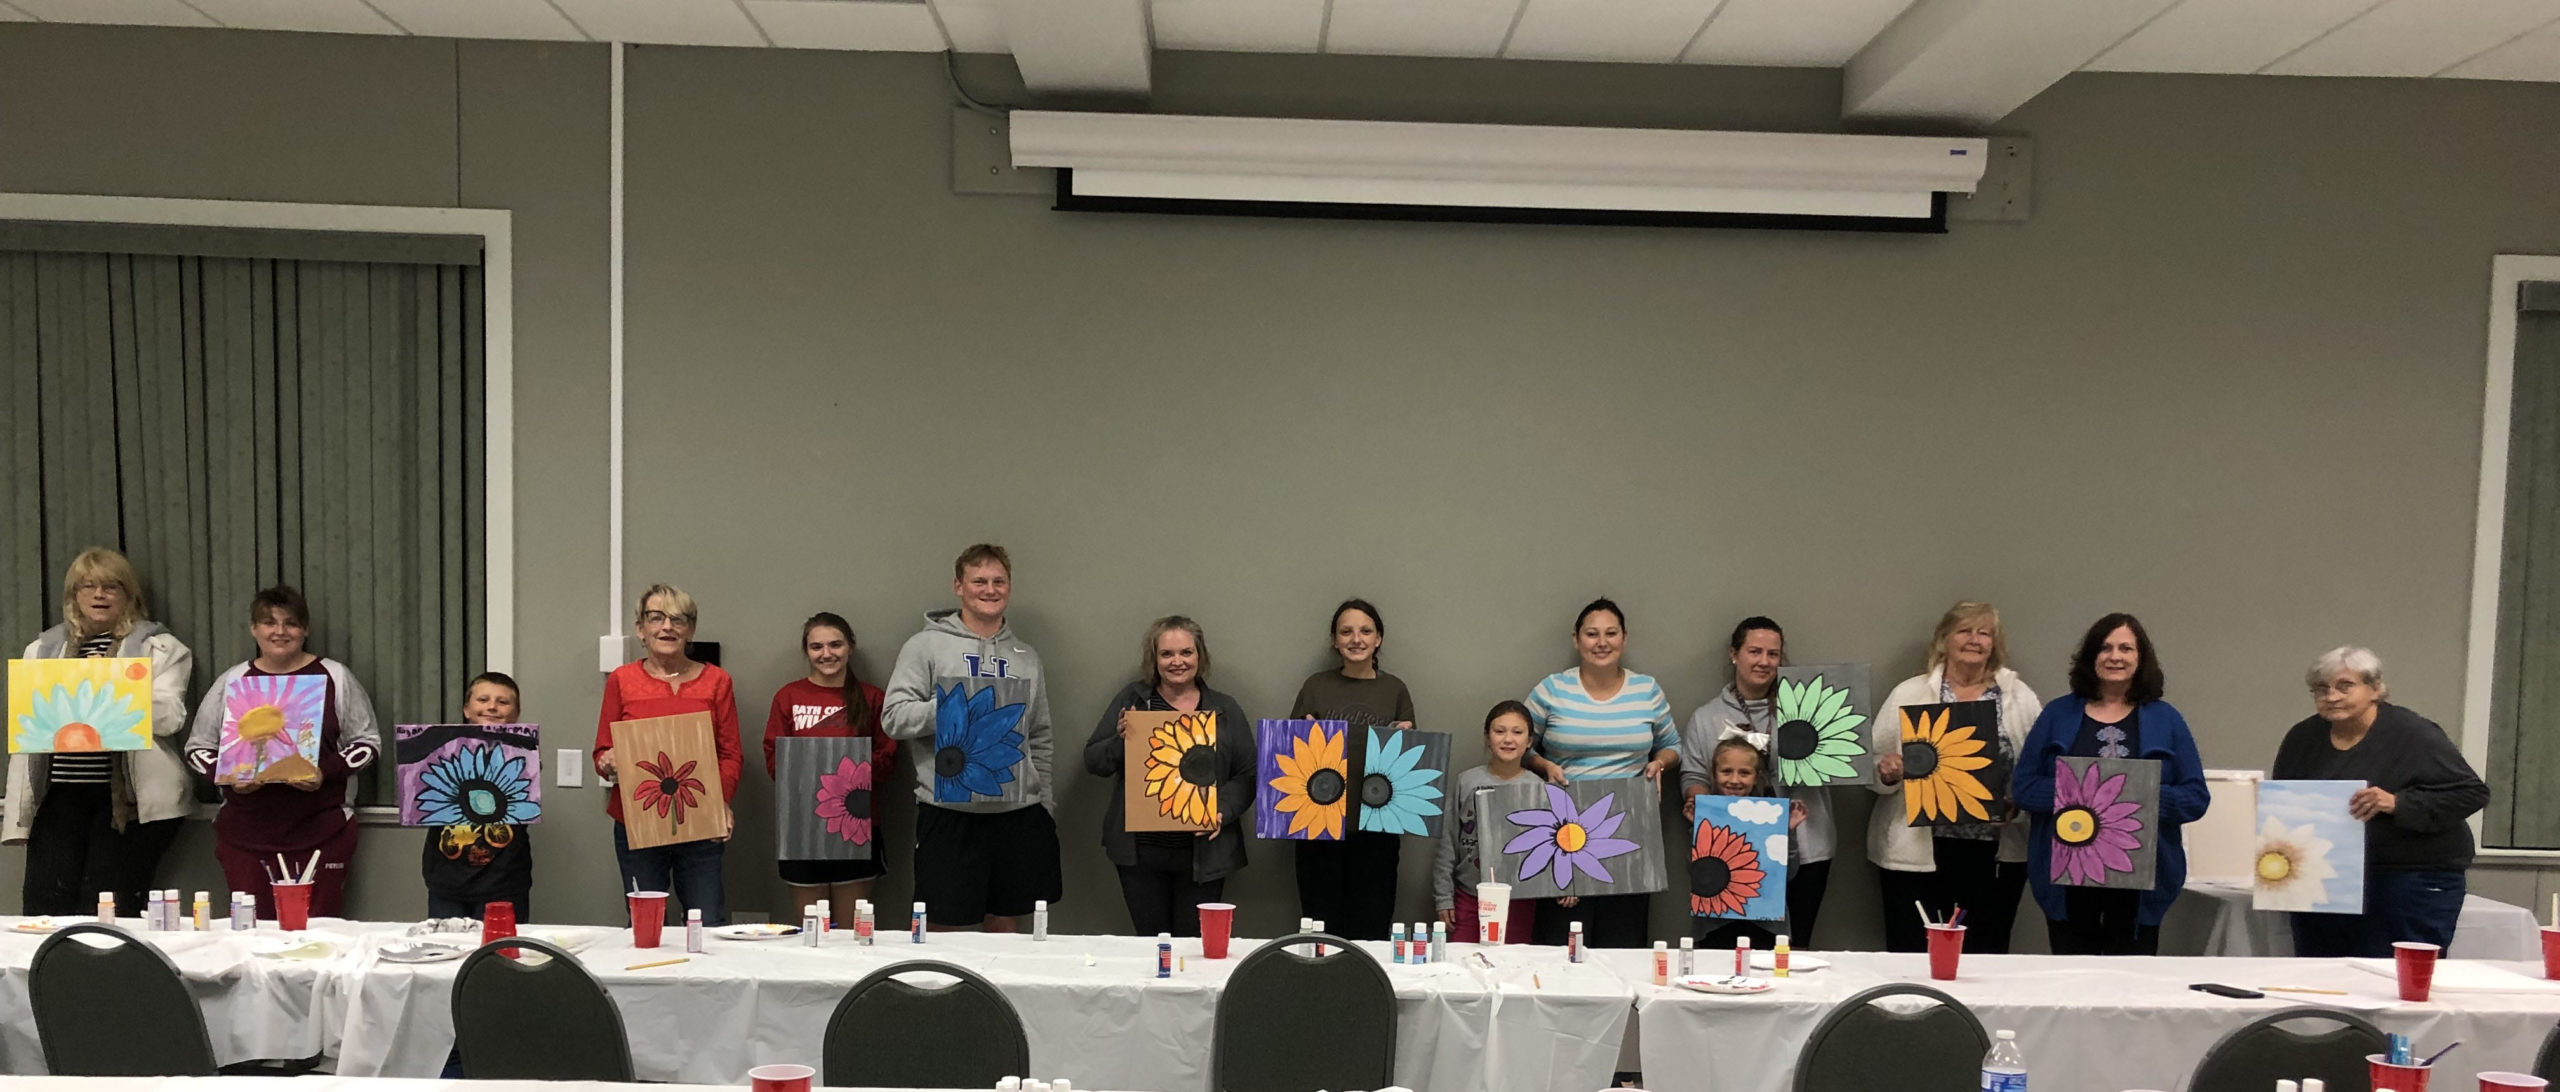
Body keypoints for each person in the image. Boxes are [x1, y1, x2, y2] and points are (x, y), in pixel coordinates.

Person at [4, 548, 196, 917]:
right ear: (73, 595)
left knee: (108, 908)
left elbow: (170, 718)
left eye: (111, 586)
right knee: (44, 905)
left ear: (129, 595)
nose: (99, 595)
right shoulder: (43, 650)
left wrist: (111, 684)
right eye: (87, 586)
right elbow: (28, 730)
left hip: (129, 802)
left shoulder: (160, 647)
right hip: (61, 795)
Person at [883, 544, 1060, 932]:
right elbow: (893, 718)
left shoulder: (1026, 656)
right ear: (958, 586)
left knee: (1006, 927)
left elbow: (1040, 735)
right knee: (940, 928)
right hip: (948, 814)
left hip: (1018, 814)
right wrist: (952, 708)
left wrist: (1044, 803)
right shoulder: (925, 646)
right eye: (979, 581)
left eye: (999, 581)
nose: (990, 590)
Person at [2013, 614, 2208, 955]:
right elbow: (2024, 787)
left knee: (2131, 977)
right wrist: (2079, 794)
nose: (2115, 656)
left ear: (2141, 658)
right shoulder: (2057, 714)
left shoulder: (2167, 719)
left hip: (2142, 881)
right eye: (2105, 648)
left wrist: (2140, 796)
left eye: (2126, 648)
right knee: (2072, 975)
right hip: (2067, 877)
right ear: (2091, 656)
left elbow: (2195, 798)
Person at [2274, 646, 2488, 958]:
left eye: (2345, 686)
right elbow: (2287, 802)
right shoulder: (2303, 737)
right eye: (2321, 689)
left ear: (2375, 689)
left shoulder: (2413, 733)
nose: (2331, 696)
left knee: (2391, 975)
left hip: (2409, 878)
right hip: (2326, 877)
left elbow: (2471, 792)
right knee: (2321, 972)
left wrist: (2397, 803)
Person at [184, 585, 380, 919]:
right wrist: (229, 776)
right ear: (253, 629)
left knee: (319, 932)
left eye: (290, 623)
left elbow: (367, 743)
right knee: (253, 935)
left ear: (305, 629)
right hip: (245, 834)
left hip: (322, 831)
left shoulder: (334, 677)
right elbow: (197, 748)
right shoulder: (234, 680)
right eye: (268, 623)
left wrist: (325, 772)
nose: (279, 631)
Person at [1869, 601, 2040, 954]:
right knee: (1912, 954)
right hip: (1919, 852)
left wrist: (2017, 807)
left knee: (1985, 958)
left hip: (1994, 852)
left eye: (1984, 633)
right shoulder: (1910, 693)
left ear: (1994, 643)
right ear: (1944, 639)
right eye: (1964, 631)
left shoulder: (2019, 698)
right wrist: (1887, 772)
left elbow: (2038, 771)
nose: (1974, 640)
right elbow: (1870, 764)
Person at [1083, 616, 1254, 936]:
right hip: (1141, 854)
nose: (1177, 661)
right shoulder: (1133, 701)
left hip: (1204, 855)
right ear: (1154, 658)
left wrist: (1221, 811)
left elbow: (1246, 775)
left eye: (1186, 652)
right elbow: (1094, 761)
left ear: (1200, 656)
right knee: (1152, 946)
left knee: (1193, 949)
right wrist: (1121, 740)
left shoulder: (1224, 708)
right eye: (1167, 654)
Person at [1523, 598, 1677, 949]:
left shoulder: (1647, 690)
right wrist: (1545, 765)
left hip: (1631, 827)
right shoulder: (1552, 689)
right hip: (1564, 830)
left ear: (1624, 638)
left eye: (1611, 633)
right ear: (1576, 639)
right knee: (1562, 941)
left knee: (1622, 939)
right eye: (1592, 634)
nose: (1602, 642)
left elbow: (1672, 745)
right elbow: (1522, 746)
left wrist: (1660, 763)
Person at [1677, 617, 1837, 945]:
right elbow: (1693, 774)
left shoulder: (1810, 710)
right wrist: (1702, 810)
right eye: (1754, 651)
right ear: (1734, 654)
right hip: (1734, 852)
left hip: (1804, 850)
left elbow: (1840, 763)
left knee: (1792, 951)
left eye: (1773, 654)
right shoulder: (1706, 718)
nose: (1764, 661)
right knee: (1727, 950)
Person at [593, 583, 741, 926]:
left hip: (701, 822)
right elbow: (601, 751)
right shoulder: (622, 680)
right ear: (640, 629)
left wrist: (719, 803)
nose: (667, 627)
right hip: (636, 823)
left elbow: (730, 753)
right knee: (646, 925)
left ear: (691, 630)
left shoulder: (717, 681)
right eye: (656, 618)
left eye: (678, 619)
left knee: (706, 922)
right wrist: (608, 760)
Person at [1287, 598, 1416, 940]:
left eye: (1365, 631)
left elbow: (1409, 763)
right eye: (1346, 632)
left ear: (1379, 638)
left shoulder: (1395, 689)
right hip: (1318, 828)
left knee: (1371, 928)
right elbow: (1289, 758)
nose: (1356, 639)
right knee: (1321, 929)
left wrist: (1406, 738)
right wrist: (1301, 735)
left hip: (1377, 830)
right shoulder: (1315, 686)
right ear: (1334, 640)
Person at [764, 612, 893, 926]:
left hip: (856, 825)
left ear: (850, 646)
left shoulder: (872, 697)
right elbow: (774, 759)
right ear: (806, 651)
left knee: (852, 933)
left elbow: (888, 759)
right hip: (801, 826)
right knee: (813, 931)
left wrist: (848, 772)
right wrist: (818, 771)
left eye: (835, 644)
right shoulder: (788, 697)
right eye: (816, 646)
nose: (826, 653)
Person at [421, 671, 537, 920]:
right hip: (446, 882)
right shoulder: (437, 754)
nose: (492, 707)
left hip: (505, 883)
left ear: (516, 714)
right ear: (466, 709)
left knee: (501, 945)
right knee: (447, 944)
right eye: (483, 700)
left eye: (502, 702)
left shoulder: (524, 757)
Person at [1436, 701, 1540, 943]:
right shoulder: (1467, 782)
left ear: (1529, 741)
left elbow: (1550, 847)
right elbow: (1447, 842)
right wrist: (1443, 897)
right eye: (1499, 731)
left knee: (1514, 960)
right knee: (1461, 959)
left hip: (1519, 900)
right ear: (1487, 737)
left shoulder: (1538, 788)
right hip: (1469, 896)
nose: (1508, 739)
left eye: (1517, 732)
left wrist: (1565, 886)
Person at [1689, 732, 1803, 950]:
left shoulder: (1774, 816)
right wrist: (1695, 829)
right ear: (1714, 774)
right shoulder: (1706, 815)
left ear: (1756, 776)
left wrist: (1788, 832)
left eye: (1744, 773)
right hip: (1713, 924)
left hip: (1766, 926)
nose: (1734, 780)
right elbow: (1696, 873)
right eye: (1726, 771)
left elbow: (1789, 873)